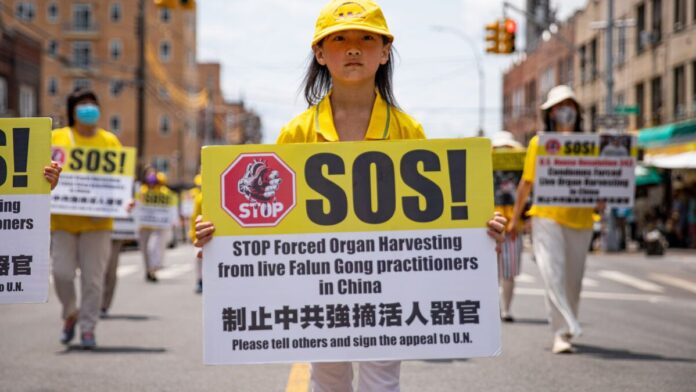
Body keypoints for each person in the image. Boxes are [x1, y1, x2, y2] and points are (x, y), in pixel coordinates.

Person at [195, 1, 507, 390]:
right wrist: (218, 236)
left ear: (384, 51)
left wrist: (481, 231)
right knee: (327, 377)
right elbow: (264, 218)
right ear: (320, 54)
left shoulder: (409, 130)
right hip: (318, 286)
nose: (354, 48)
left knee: (382, 379)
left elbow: (443, 216)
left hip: (389, 285)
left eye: (366, 38)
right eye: (339, 39)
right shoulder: (296, 133)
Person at [508, 85, 604, 354]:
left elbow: (599, 182)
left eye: (570, 106)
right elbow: (526, 184)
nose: (565, 112)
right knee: (553, 273)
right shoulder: (539, 144)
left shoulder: (590, 145)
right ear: (550, 113)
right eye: (560, 107)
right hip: (546, 219)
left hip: (582, 221)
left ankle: (569, 325)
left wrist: (603, 199)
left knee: (573, 281)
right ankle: (561, 332)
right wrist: (515, 220)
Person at [51, 87, 122, 348]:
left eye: (93, 103)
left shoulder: (109, 141)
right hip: (63, 221)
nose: (89, 109)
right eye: (83, 104)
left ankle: (88, 327)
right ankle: (71, 312)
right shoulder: (56, 138)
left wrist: (126, 200)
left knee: (93, 279)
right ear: (72, 110)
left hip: (98, 223)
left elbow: (120, 180)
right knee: (61, 273)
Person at [491, 131, 524, 322]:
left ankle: (505, 309)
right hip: (492, 224)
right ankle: (500, 308)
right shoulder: (483, 164)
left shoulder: (521, 167)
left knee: (508, 271)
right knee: (496, 271)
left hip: (511, 225)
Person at [138, 168, 172, 282]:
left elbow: (170, 206)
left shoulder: (163, 191)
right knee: (145, 250)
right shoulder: (142, 190)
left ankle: (152, 269)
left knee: (153, 248)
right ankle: (148, 270)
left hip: (157, 226)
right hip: (144, 226)